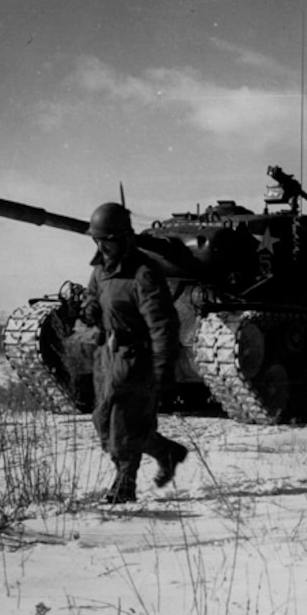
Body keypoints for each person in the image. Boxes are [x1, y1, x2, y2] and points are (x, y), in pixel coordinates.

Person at [81, 202, 188, 504]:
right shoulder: (101, 269)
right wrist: (90, 308)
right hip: (107, 356)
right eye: (97, 240)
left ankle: (124, 486)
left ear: (123, 238)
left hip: (135, 359)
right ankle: (168, 452)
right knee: (104, 422)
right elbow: (93, 295)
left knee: (123, 426)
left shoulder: (143, 274)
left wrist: (164, 365)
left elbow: (162, 323)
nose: (101, 246)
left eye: (106, 239)